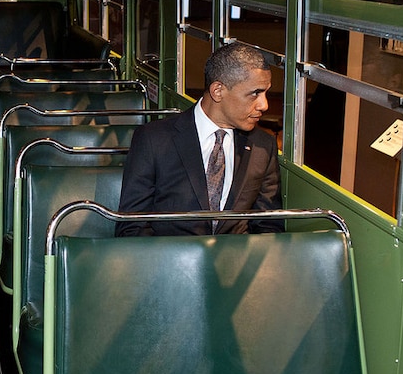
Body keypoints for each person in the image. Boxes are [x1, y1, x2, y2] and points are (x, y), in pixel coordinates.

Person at [116, 43, 283, 236]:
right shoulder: (154, 139)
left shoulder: (263, 145)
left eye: (265, 93)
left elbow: (269, 227)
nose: (264, 105)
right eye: (255, 93)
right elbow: (132, 226)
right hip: (170, 260)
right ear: (218, 91)